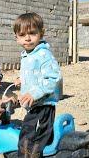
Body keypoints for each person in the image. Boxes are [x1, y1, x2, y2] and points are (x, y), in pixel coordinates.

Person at [11, 12, 62, 158]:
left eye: (32, 33)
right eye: (22, 35)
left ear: (41, 33)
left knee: (28, 135)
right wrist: (22, 79)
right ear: (17, 38)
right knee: (41, 132)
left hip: (43, 104)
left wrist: (34, 93)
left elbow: (54, 77)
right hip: (35, 104)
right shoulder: (28, 54)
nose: (27, 38)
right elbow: (34, 73)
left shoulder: (43, 54)